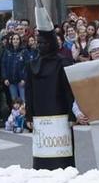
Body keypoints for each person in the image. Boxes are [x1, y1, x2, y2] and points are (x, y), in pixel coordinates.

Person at [26, 27, 76, 170]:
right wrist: (29, 115)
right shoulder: (32, 64)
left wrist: (72, 114)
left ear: (52, 44)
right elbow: (28, 92)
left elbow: (68, 91)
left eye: (45, 43)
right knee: (43, 154)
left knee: (62, 158)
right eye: (39, 43)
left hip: (60, 111)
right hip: (40, 113)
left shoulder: (63, 62)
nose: (41, 46)